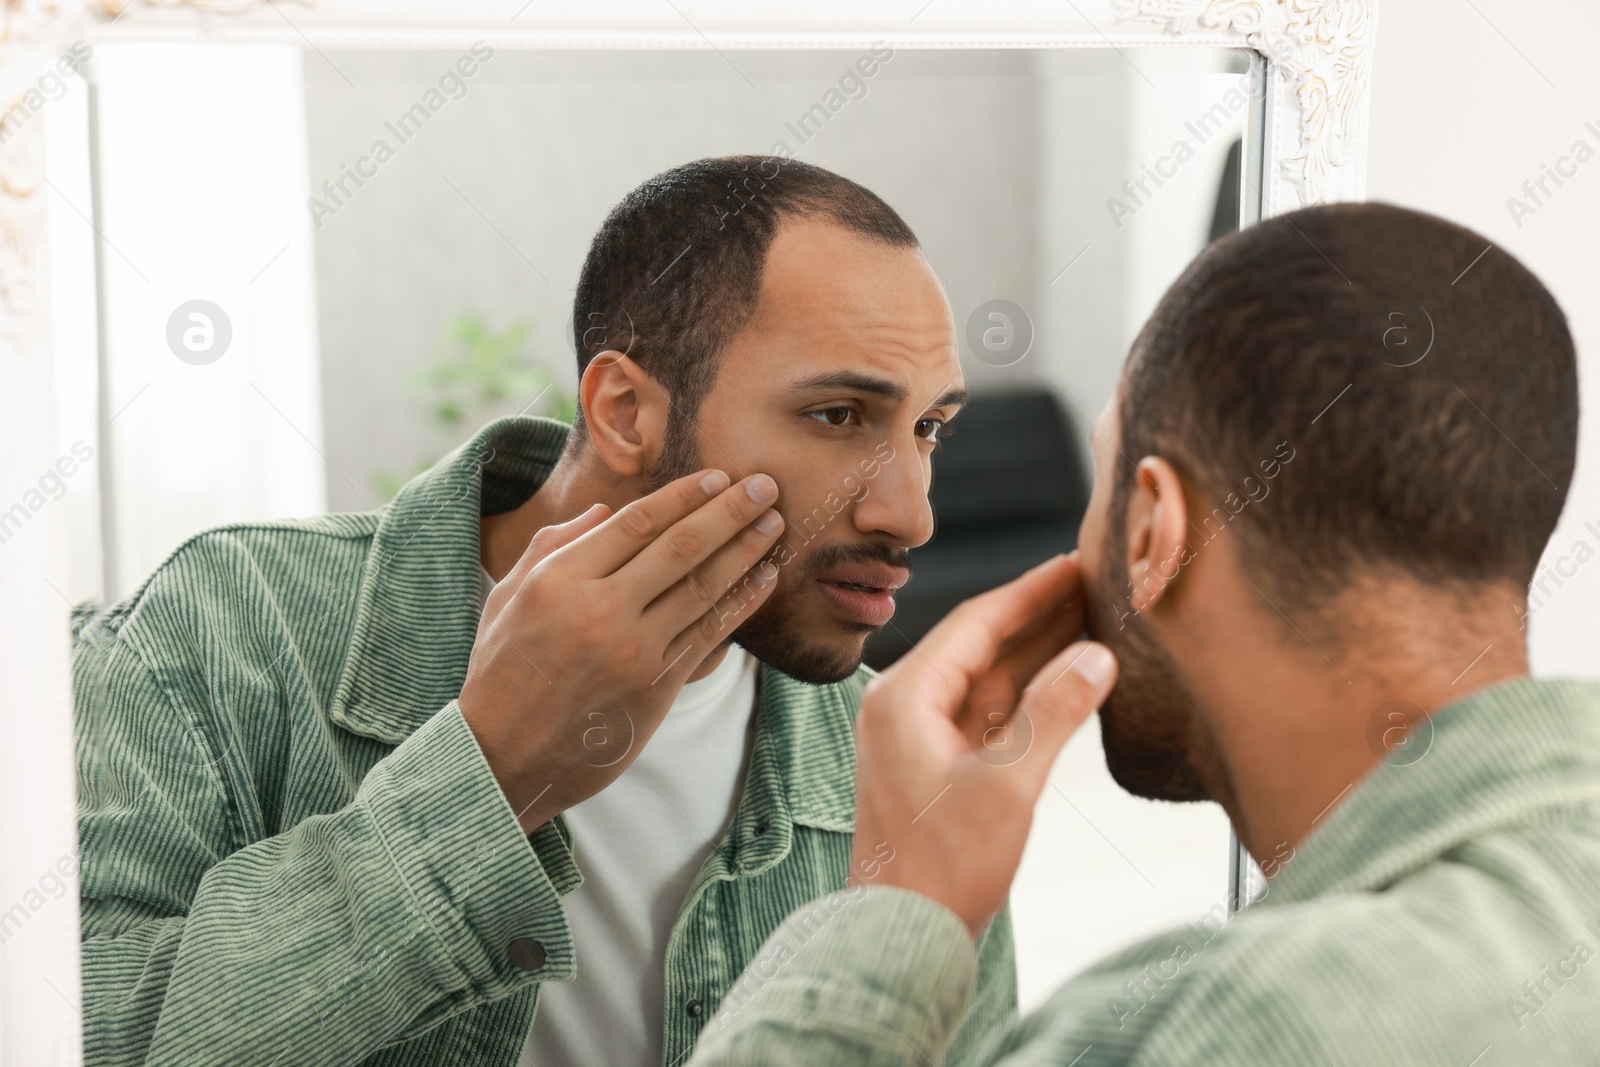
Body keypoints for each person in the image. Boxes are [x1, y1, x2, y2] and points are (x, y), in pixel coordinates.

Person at [70, 157, 1016, 1066]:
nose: (912, 511)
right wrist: (491, 776)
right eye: (839, 415)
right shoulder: (228, 625)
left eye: (929, 427)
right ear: (624, 412)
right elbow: (80, 1036)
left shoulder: (897, 762)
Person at [685, 201, 1600, 1066]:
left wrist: (897, 901)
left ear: (1155, 531)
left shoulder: (1214, 1028)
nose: (911, 516)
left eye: (1104, 483)